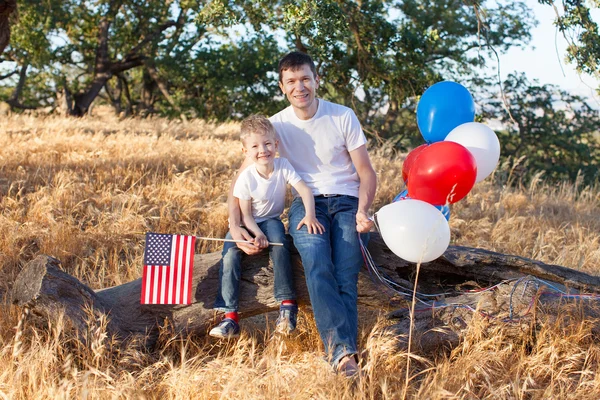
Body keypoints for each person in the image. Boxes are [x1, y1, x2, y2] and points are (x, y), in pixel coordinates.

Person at [228, 52, 377, 376]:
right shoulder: (277, 125)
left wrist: (363, 210)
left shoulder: (342, 116)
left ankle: (342, 355)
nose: (300, 87)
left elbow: (366, 172)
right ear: (282, 86)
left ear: (316, 79)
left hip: (348, 202)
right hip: (306, 206)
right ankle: (344, 357)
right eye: (292, 81)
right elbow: (240, 179)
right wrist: (235, 226)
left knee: (346, 273)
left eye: (305, 78)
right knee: (317, 264)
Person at [210, 115, 324, 339]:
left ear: (276, 145)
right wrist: (256, 235)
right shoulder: (246, 178)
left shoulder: (283, 166)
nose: (262, 150)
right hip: (248, 222)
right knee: (230, 255)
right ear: (245, 152)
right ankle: (230, 317)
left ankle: (287, 305)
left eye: (267, 144)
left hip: (271, 219)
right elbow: (245, 215)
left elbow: (305, 190)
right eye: (255, 146)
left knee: (280, 243)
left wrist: (310, 214)